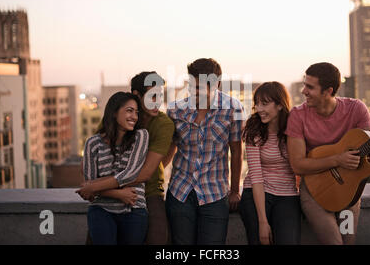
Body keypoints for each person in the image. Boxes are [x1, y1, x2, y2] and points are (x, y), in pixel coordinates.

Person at [285, 62, 370, 245]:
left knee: (348, 242)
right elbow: (298, 165)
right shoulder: (298, 116)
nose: (303, 91)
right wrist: (337, 160)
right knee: (334, 243)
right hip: (315, 195)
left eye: (310, 87)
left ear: (328, 91)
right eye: (304, 84)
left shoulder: (356, 109)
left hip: (349, 197)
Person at [87, 72, 175, 245]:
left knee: (158, 237)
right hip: (109, 188)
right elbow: (93, 155)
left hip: (149, 191)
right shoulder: (115, 117)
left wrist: (96, 187)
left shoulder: (163, 124)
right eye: (152, 96)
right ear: (137, 95)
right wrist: (111, 191)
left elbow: (145, 173)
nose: (157, 101)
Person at [165, 58, 245, 245]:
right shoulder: (176, 110)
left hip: (215, 193)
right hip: (180, 191)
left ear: (216, 83)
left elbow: (236, 152)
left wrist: (234, 190)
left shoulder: (233, 108)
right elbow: (169, 149)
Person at [76, 92, 149, 245]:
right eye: (129, 110)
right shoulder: (92, 143)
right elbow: (90, 189)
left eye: (136, 112)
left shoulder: (140, 136)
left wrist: (94, 186)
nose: (134, 116)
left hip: (134, 207)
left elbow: (131, 174)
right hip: (101, 209)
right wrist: (119, 194)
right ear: (114, 112)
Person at [239, 82, 301, 245]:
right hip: (256, 193)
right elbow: (256, 176)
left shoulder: (294, 129)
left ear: (280, 105)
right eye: (257, 104)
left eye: (264, 103)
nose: (259, 109)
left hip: (287, 194)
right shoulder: (253, 129)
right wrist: (262, 222)